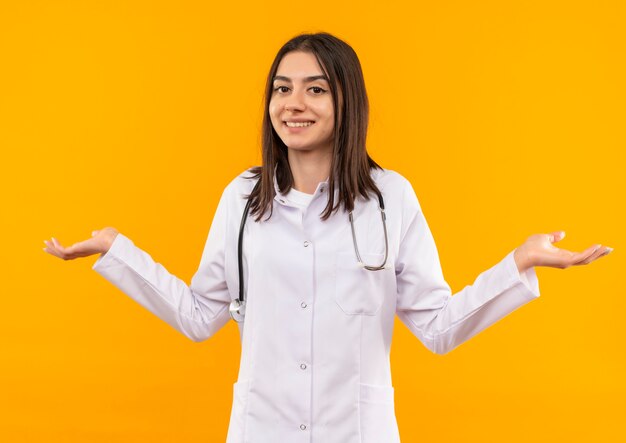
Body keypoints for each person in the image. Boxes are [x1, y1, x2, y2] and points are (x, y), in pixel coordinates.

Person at [43, 32, 612, 443]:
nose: (294, 104)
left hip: (356, 431)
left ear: (346, 100)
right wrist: (119, 251)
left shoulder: (391, 198)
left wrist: (520, 263)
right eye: (282, 88)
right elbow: (200, 315)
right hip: (260, 430)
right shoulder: (243, 198)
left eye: (315, 89)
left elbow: (438, 328)